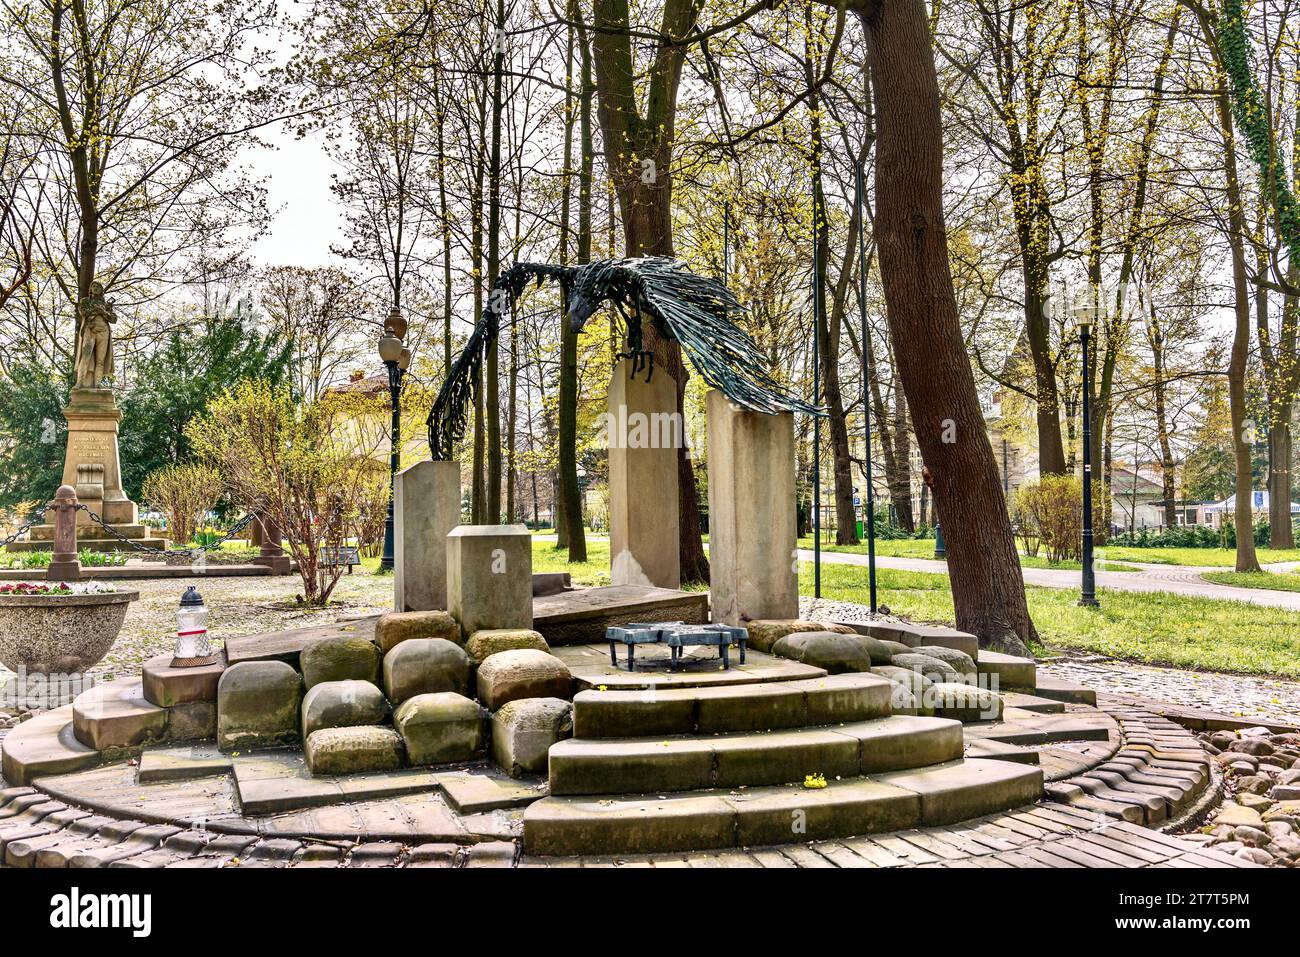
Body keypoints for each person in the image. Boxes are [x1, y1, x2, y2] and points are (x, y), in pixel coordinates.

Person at [74, 281, 116, 388]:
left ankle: (98, 383)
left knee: (100, 360)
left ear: (102, 290)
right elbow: (83, 311)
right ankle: (80, 382)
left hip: (104, 331)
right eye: (93, 286)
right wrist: (97, 310)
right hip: (90, 330)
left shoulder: (106, 305)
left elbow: (113, 319)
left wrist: (103, 312)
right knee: (86, 356)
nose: (95, 288)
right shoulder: (85, 301)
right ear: (90, 290)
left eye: (98, 286)